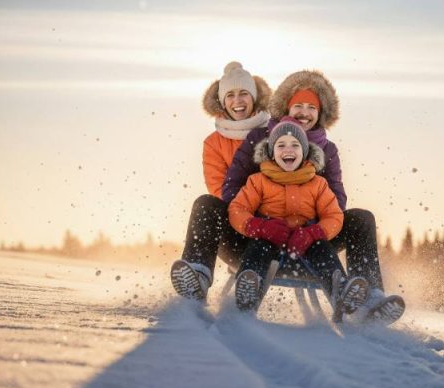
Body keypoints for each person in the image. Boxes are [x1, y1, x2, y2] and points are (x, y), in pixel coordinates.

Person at [223, 70, 405, 323]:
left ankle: (368, 301)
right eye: (298, 105)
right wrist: (260, 224)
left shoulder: (327, 153)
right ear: (286, 106)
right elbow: (232, 190)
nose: (304, 112)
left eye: (312, 107)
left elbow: (336, 205)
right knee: (218, 211)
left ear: (321, 114)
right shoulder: (259, 140)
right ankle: (238, 291)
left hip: (311, 237)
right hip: (261, 234)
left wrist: (312, 230)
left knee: (362, 218)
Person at [228, 117, 369, 315]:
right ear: (271, 152)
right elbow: (237, 209)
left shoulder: (318, 183)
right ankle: (249, 286)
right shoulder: (258, 181)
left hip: (305, 247)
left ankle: (341, 290)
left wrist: (314, 233)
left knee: (322, 249)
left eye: (295, 145)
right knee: (258, 248)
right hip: (269, 240)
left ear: (304, 153)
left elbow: (334, 215)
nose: (288, 149)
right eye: (281, 145)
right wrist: (259, 227)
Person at [170, 62, 271, 300]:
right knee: (206, 203)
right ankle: (198, 274)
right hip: (236, 231)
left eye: (244, 93)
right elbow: (219, 191)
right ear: (222, 102)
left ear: (254, 97)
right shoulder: (214, 143)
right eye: (231, 95)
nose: (238, 100)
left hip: (273, 231)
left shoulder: (275, 133)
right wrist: (248, 212)